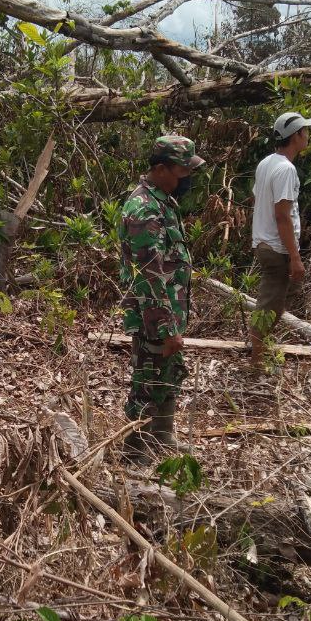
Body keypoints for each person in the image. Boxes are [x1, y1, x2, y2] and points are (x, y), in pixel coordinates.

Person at [117, 133, 205, 462]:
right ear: (162, 169)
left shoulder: (163, 200)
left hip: (169, 309)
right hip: (153, 313)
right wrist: (167, 327)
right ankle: (135, 452)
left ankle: (163, 437)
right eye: (184, 170)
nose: (188, 178)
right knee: (148, 379)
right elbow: (149, 276)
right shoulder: (143, 209)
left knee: (168, 372)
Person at [250, 111, 311, 322]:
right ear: (296, 135)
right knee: (269, 308)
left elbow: (256, 199)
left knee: (276, 302)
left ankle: (261, 347)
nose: (308, 135)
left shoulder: (266, 163)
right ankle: (258, 354)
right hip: (276, 247)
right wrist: (295, 257)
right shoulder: (286, 169)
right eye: (305, 131)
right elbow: (282, 216)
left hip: (265, 243)